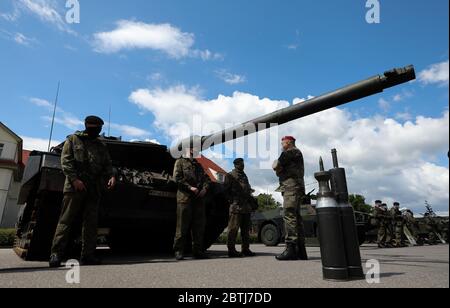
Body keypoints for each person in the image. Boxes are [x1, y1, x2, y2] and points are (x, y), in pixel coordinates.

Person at [49, 116, 116, 268]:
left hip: (94, 188)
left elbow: (107, 164)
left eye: (98, 128)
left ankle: (87, 255)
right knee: (65, 221)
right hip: (75, 187)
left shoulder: (101, 145)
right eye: (94, 127)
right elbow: (66, 160)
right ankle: (56, 254)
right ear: (87, 126)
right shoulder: (73, 140)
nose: (96, 130)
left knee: (91, 224)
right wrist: (74, 179)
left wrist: (111, 175)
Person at [173, 145, 211, 261]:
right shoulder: (180, 162)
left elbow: (207, 179)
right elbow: (177, 178)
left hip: (198, 200)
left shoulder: (198, 165)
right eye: (195, 149)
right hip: (185, 199)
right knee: (182, 227)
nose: (197, 151)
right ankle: (179, 251)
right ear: (188, 150)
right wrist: (190, 188)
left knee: (199, 226)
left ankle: (197, 251)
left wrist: (205, 188)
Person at [272, 136, 308, 261]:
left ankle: (291, 249)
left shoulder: (289, 152)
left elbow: (276, 165)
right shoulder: (297, 153)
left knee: (289, 215)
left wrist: (278, 169)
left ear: (288, 142)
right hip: (296, 187)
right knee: (296, 217)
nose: (281, 144)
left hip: (290, 187)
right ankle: (301, 250)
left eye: (283, 142)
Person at [226, 158, 256, 258]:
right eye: (240, 164)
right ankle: (231, 250)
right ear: (235, 164)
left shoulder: (244, 175)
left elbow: (246, 187)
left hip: (246, 206)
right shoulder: (230, 175)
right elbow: (226, 190)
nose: (242, 165)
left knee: (245, 229)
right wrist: (232, 201)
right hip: (236, 206)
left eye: (243, 163)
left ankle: (245, 249)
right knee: (233, 229)